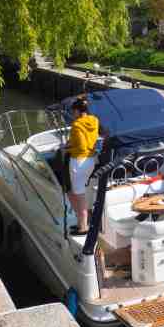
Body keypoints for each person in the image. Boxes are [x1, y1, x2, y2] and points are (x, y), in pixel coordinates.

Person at [66, 97, 99, 235]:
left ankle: (84, 227)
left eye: (73, 111)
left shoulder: (77, 125)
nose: (72, 114)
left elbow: (80, 145)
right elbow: (90, 142)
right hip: (91, 161)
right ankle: (81, 223)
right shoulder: (94, 120)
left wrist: (66, 148)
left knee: (79, 195)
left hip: (78, 162)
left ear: (77, 111)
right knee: (77, 193)